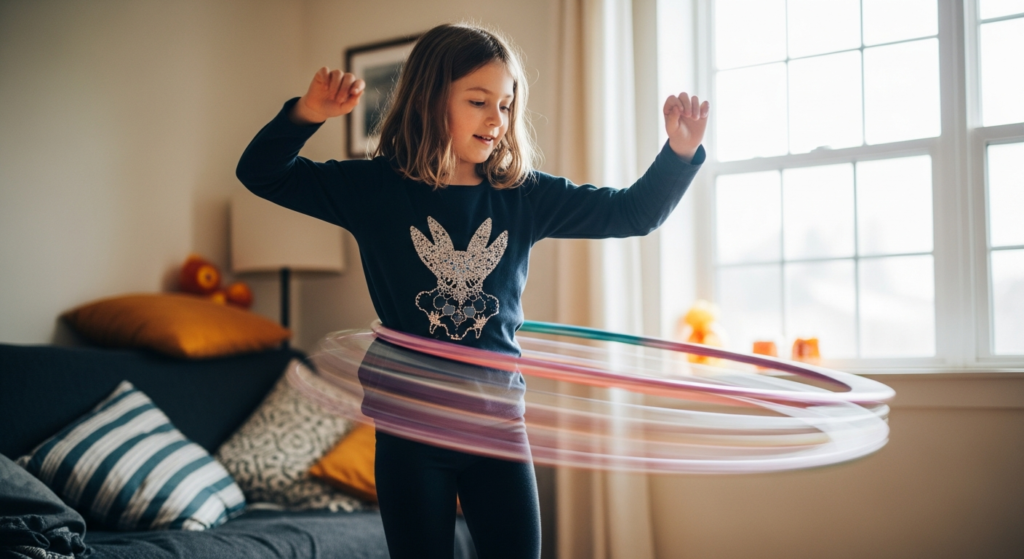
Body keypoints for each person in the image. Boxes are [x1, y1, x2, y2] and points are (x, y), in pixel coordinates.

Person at [236, 22, 708, 559]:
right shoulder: (375, 189)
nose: (496, 119)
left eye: (506, 105)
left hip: (496, 427)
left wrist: (679, 152)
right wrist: (307, 113)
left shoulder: (523, 196)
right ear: (430, 100)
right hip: (410, 431)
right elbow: (261, 172)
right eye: (479, 101)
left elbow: (633, 213)